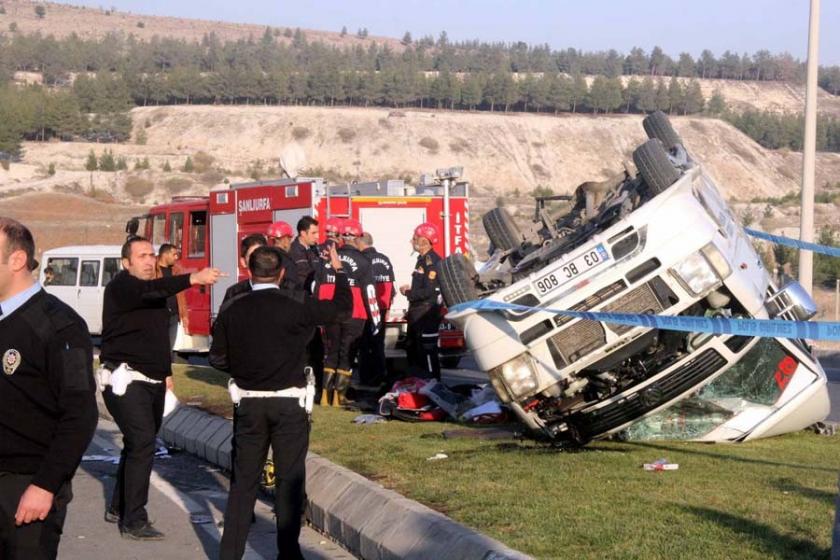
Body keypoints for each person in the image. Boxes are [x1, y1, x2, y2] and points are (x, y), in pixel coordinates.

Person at [210, 244, 351, 560]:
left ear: (249, 272)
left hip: (249, 403)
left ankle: (229, 553)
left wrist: (245, 369)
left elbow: (217, 358)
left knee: (243, 482)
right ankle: (288, 552)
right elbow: (341, 308)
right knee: (289, 480)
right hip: (289, 403)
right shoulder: (298, 303)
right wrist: (339, 272)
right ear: (282, 273)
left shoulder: (233, 307)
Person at [100, 236, 222, 540]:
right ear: (127, 262)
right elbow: (149, 289)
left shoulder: (155, 290)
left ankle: (119, 505)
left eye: (151, 255)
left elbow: (156, 336)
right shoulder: (123, 286)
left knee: (137, 443)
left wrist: (167, 373)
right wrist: (193, 278)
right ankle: (134, 520)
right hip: (125, 379)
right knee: (142, 442)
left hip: (154, 379)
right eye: (141, 255)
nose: (148, 260)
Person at [0, 217, 98, 559]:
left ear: (16, 260)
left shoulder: (60, 326)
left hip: (27, 485)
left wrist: (44, 485)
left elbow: (80, 415)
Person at [316, 219, 380, 406]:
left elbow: (318, 287)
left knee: (331, 352)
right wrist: (376, 320)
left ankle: (325, 398)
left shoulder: (327, 258)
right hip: (355, 313)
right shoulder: (364, 262)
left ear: (342, 237)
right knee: (347, 354)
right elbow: (369, 292)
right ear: (358, 237)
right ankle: (339, 397)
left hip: (331, 312)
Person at [400, 222, 443, 380]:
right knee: (414, 350)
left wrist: (409, 292)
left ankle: (432, 383)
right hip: (418, 314)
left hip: (426, 315)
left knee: (427, 351)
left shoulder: (431, 262)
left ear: (424, 241)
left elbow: (430, 291)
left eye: (415, 238)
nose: (412, 241)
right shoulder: (421, 260)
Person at [356, 232, 395, 387]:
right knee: (378, 345)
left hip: (368, 308)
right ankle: (380, 374)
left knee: (365, 345)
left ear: (360, 243)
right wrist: (388, 307)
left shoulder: (362, 260)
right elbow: (391, 286)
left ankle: (366, 378)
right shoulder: (385, 259)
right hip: (382, 307)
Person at [156, 243, 185, 353]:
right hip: (159, 315)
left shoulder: (176, 270)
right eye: (174, 254)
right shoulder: (153, 270)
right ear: (165, 255)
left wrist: (183, 315)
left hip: (174, 316)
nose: (176, 257)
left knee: (169, 349)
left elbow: (181, 295)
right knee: (158, 348)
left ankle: (167, 368)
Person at [222, 234, 267, 304]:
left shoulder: (283, 289)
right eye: (252, 256)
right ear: (243, 262)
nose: (257, 259)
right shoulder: (234, 293)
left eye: (261, 254)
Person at [289, 216, 320, 291]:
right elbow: (303, 277)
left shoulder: (315, 249)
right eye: (313, 233)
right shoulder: (293, 251)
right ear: (303, 233)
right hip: (299, 297)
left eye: (317, 232)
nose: (317, 236)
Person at [267, 221, 298, 290]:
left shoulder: (264, 257)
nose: (290, 242)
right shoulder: (287, 261)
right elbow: (292, 286)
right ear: (284, 239)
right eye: (290, 238)